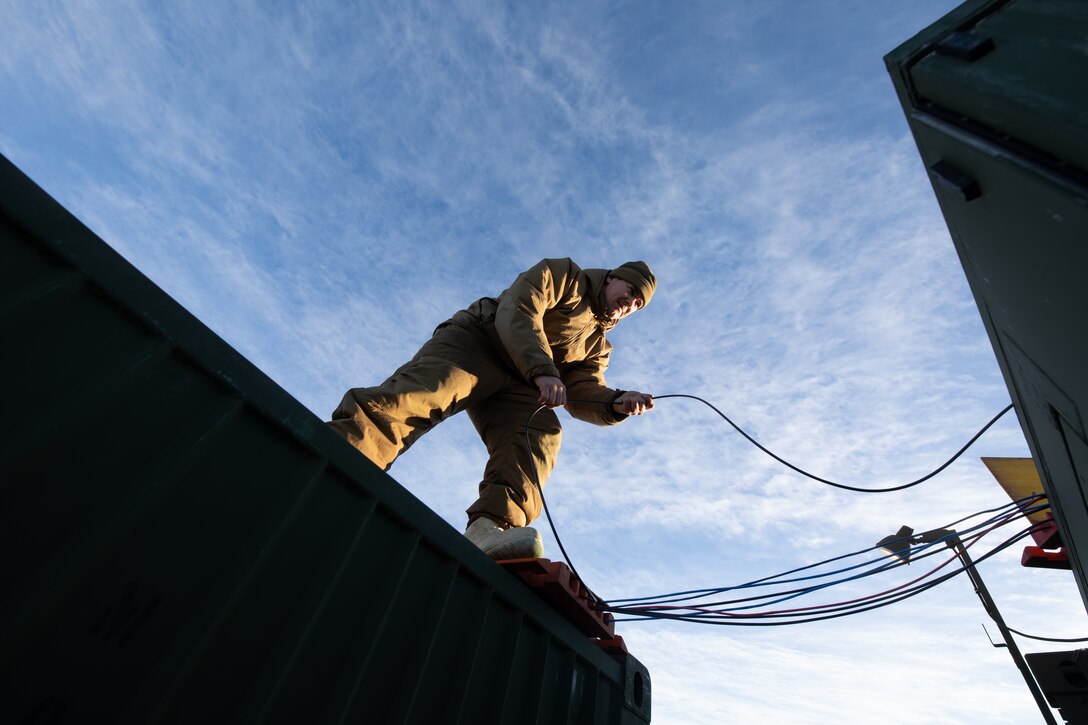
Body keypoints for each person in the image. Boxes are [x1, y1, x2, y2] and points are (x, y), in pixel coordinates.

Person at [329, 257, 656, 560]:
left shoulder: (597, 346)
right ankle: (350, 449)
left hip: (521, 381)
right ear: (612, 278)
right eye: (629, 292)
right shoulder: (565, 276)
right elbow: (520, 308)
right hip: (479, 342)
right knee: (434, 389)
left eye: (638, 305)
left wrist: (614, 402)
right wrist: (542, 370)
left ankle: (491, 529)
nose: (630, 304)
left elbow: (582, 389)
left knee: (540, 435)